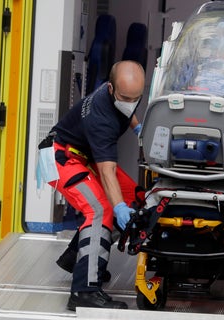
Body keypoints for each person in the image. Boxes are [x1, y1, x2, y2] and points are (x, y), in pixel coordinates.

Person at [40, 60, 145, 310]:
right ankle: (84, 292)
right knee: (101, 211)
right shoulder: (101, 119)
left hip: (82, 156)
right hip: (61, 157)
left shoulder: (121, 91)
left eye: (136, 97)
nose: (130, 102)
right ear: (111, 89)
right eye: (125, 97)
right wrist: (118, 207)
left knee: (138, 202)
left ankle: (75, 257)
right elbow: (107, 170)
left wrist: (139, 128)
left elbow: (128, 110)